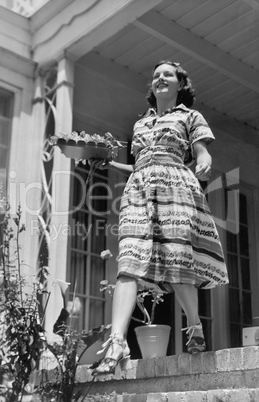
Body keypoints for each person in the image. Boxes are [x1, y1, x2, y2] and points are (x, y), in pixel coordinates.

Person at [91, 60, 229, 376]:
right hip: (138, 191)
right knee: (127, 263)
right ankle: (117, 342)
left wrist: (205, 157)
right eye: (155, 76)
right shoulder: (140, 125)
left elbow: (200, 149)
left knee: (178, 262)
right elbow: (138, 164)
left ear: (180, 83)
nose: (160, 79)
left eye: (167, 74)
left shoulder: (190, 117)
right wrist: (107, 163)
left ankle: (194, 328)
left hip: (176, 190)